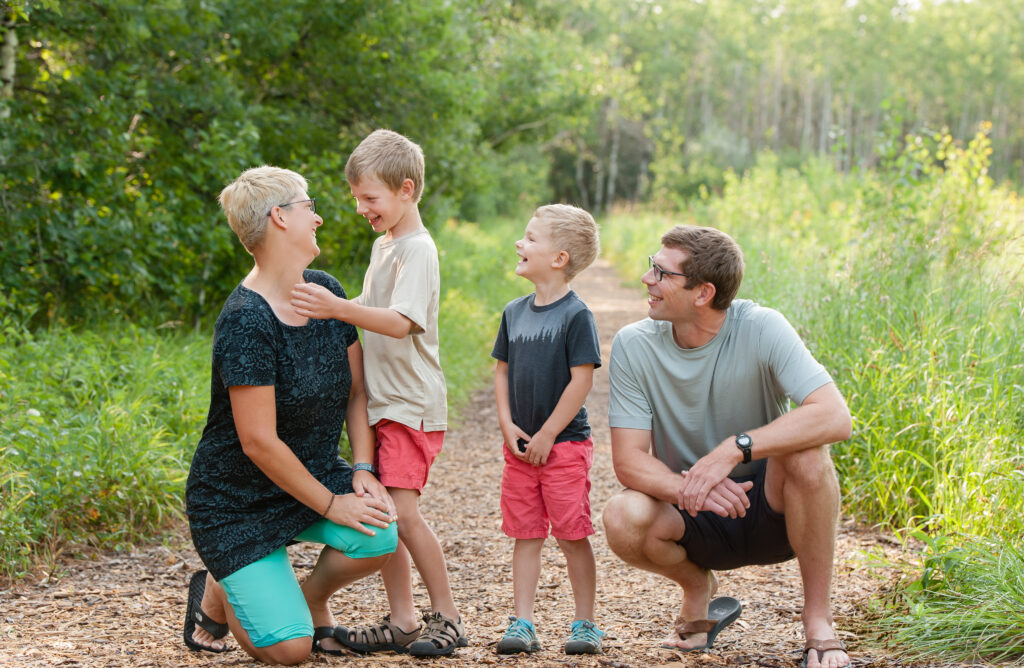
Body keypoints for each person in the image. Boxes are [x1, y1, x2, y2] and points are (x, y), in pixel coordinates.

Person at [601, 225, 853, 668]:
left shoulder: (761, 326)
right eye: (650, 267)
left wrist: (732, 451)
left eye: (661, 272)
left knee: (808, 452)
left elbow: (834, 415)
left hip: (774, 511)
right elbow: (628, 460)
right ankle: (698, 588)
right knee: (622, 517)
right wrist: (690, 486)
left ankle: (818, 621)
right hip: (695, 512)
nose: (647, 280)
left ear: (703, 293)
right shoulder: (633, 345)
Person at [183, 166, 399, 665]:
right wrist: (331, 505)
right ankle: (225, 582)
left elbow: (357, 393)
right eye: (309, 207)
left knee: (380, 532)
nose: (319, 218)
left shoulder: (325, 290)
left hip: (313, 474)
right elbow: (258, 441)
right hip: (236, 499)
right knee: (291, 649)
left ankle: (290, 596)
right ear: (279, 217)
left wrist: (362, 470)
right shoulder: (245, 320)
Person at [290, 129, 464, 656]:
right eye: (357, 198)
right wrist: (336, 310)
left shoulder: (419, 249)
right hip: (386, 402)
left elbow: (400, 320)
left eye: (371, 198)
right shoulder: (384, 245)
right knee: (383, 511)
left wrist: (338, 308)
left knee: (401, 514)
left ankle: (448, 617)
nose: (362, 208)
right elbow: (374, 301)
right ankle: (405, 620)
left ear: (406, 190)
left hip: (410, 404)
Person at [491, 204, 605, 655]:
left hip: (564, 448)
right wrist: (507, 425)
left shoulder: (577, 316)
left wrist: (548, 434)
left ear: (559, 258)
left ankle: (585, 623)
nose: (520, 243)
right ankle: (523, 622)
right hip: (519, 449)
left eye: (531, 238)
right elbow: (501, 372)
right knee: (525, 534)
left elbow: (582, 379)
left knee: (572, 534)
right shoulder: (513, 312)